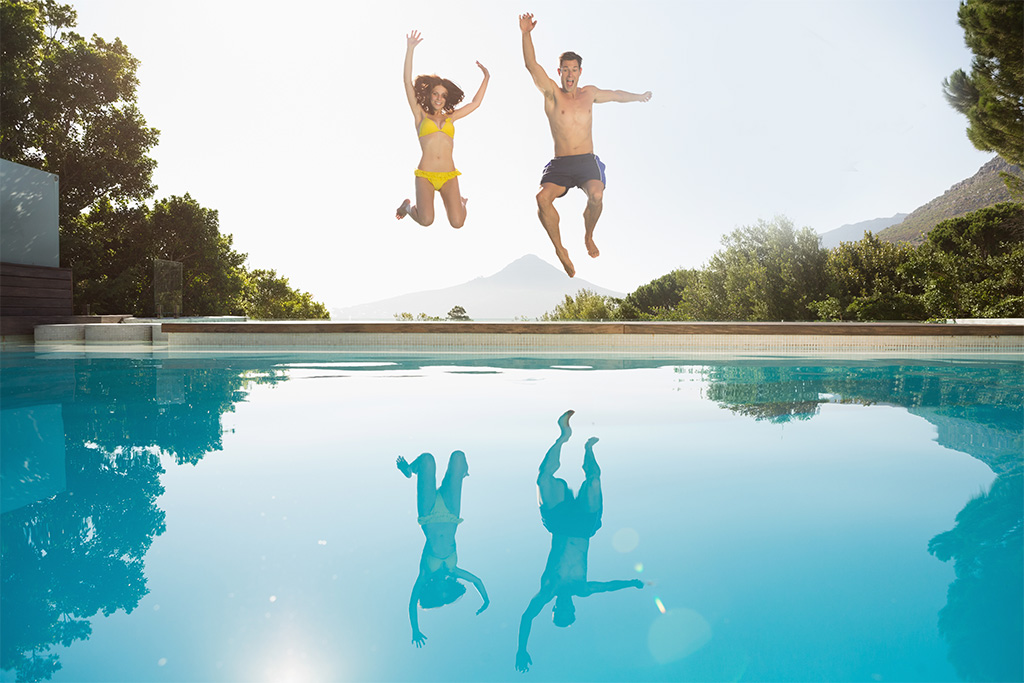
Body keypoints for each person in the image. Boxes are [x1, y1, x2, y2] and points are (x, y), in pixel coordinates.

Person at [519, 13, 652, 277]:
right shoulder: (552, 93)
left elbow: (615, 95)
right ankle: (560, 250)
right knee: (542, 198)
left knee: (597, 196)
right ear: (559, 72)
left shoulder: (588, 93)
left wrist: (639, 97)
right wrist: (526, 33)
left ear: (580, 72)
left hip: (586, 161)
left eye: (574, 69)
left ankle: (588, 235)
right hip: (560, 163)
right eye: (565, 69)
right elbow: (532, 66)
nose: (570, 74)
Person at [515, 411, 644, 673]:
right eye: (568, 612)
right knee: (594, 480)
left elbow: (527, 616)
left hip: (560, 526)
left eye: (559, 612)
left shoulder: (549, 590)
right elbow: (608, 587)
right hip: (585, 527)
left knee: (542, 480)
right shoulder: (582, 589)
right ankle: (588, 449)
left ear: (553, 609)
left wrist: (521, 648)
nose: (564, 607)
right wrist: (630, 583)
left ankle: (563, 436)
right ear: (573, 608)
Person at [396, 30, 489, 229]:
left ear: (446, 99)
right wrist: (410, 49)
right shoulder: (420, 115)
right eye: (436, 94)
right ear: (430, 95)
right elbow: (406, 82)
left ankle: (461, 202)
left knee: (458, 223)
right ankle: (407, 207)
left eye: (443, 95)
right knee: (426, 220)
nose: (439, 98)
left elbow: (475, 103)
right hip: (426, 175)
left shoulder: (451, 118)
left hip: (448, 176)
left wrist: (486, 76)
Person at [397, 451, 489, 647]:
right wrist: (486, 600)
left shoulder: (425, 573)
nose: (443, 589)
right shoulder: (453, 570)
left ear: (433, 592)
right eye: (447, 592)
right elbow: (477, 581)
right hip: (451, 513)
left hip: (428, 514)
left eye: (441, 594)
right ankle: (462, 471)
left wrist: (415, 629)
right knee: (458, 457)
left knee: (427, 460)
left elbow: (413, 603)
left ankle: (409, 470)